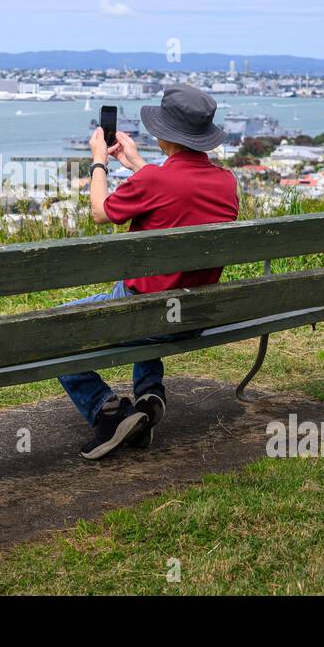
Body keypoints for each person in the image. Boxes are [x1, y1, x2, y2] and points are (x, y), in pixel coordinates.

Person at [63, 84, 240, 459]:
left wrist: (99, 160)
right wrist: (140, 166)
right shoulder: (226, 182)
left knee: (57, 329)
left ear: (164, 134)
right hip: (194, 314)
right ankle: (148, 395)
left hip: (147, 314)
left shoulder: (154, 181)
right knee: (153, 289)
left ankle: (108, 412)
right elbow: (181, 193)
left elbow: (100, 212)